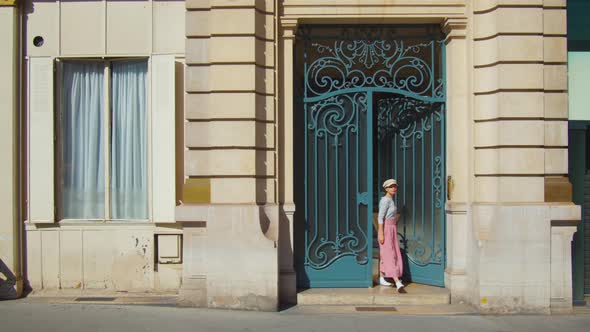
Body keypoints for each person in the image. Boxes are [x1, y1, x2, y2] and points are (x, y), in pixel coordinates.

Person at [377, 178, 404, 291]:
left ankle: (382, 277)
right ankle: (397, 281)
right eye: (391, 186)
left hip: (391, 228)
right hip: (386, 229)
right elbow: (380, 217)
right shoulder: (385, 200)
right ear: (386, 188)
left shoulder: (390, 200)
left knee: (386, 253)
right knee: (389, 254)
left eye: (395, 186)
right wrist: (381, 232)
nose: (393, 188)